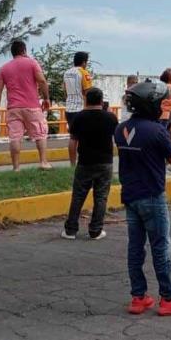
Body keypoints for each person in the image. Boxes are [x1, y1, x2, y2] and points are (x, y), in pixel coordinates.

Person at [115, 79, 171, 316]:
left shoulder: (121, 130)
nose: (164, 106)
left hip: (130, 195)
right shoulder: (157, 131)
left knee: (135, 248)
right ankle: (168, 298)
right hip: (152, 195)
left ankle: (138, 296)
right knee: (161, 247)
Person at [62, 88, 117, 241]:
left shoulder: (79, 118)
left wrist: (73, 163)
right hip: (105, 162)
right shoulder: (111, 118)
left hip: (85, 162)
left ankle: (70, 230)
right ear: (101, 101)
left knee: (78, 196)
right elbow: (117, 139)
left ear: (86, 100)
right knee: (101, 197)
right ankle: (95, 230)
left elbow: (73, 142)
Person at [0, 40, 53, 171]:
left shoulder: (4, 68)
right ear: (24, 51)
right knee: (40, 133)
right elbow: (42, 81)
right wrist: (47, 98)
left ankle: (16, 167)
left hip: (13, 108)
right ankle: (43, 162)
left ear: (12, 53)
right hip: (31, 106)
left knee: (15, 137)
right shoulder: (32, 63)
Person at [63, 52, 93, 165]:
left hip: (69, 109)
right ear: (84, 62)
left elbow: (65, 92)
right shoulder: (84, 73)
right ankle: (84, 163)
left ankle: (72, 164)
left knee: (73, 137)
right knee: (84, 138)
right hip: (81, 109)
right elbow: (88, 92)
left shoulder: (66, 73)